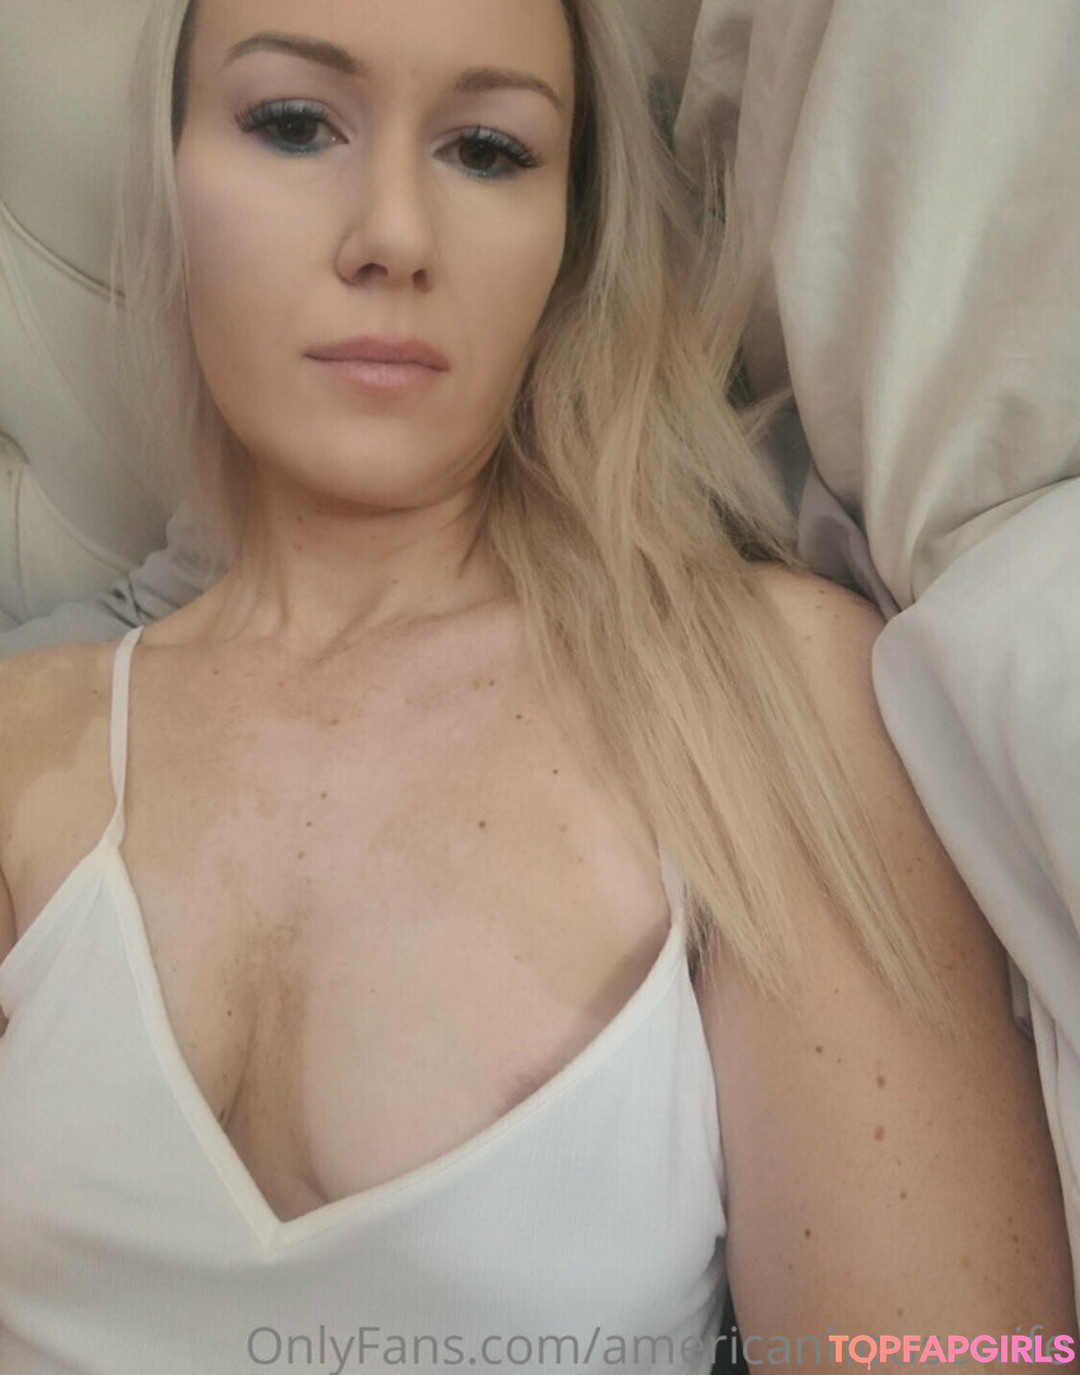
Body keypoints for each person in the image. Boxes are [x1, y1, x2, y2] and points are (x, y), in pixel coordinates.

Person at [0, 1, 1075, 1371]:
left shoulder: (760, 701)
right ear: (173, 187)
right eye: (294, 123)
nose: (394, 233)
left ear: (570, 240)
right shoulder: (26, 741)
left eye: (489, 150)